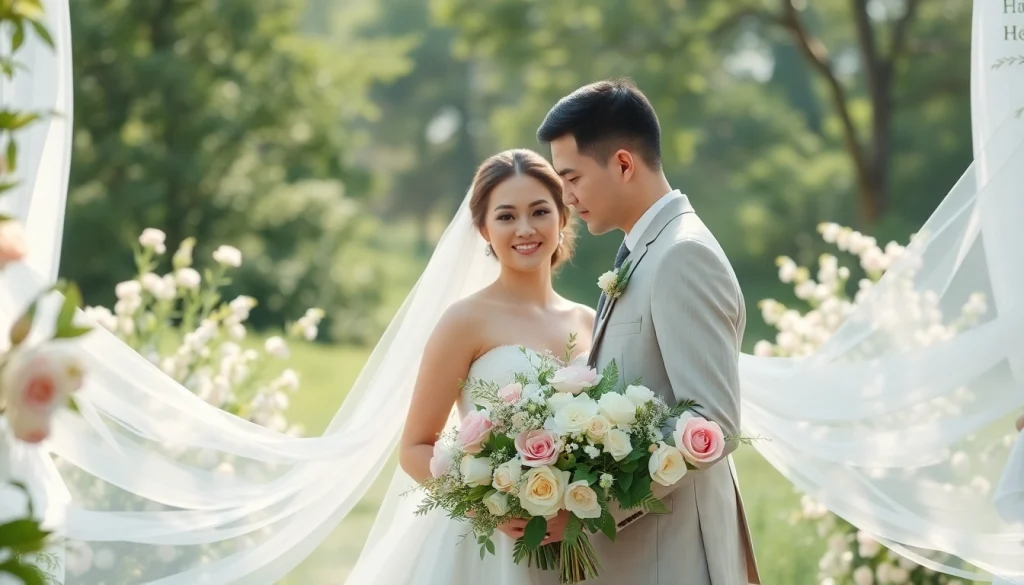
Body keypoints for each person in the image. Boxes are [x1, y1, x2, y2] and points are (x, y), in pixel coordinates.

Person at [536, 78, 760, 584]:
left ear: (622, 164)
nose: (567, 198)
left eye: (572, 177)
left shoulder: (683, 255)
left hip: (673, 556)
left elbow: (711, 425)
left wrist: (589, 503)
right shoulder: (647, 250)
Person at [347, 148, 595, 584]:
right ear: (483, 229)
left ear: (562, 218)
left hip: (572, 543)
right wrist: (488, 505)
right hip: (486, 547)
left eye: (539, 211)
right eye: (505, 216)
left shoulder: (589, 322)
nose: (525, 229)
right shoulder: (465, 321)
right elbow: (415, 448)